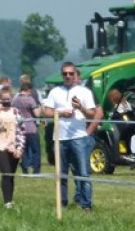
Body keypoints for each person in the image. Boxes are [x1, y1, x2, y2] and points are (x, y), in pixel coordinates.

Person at [41, 62, 97, 212]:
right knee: (61, 173)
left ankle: (86, 205)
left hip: (79, 137)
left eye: (71, 73)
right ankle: (63, 203)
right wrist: (61, 113)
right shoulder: (55, 92)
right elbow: (47, 112)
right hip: (60, 138)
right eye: (65, 73)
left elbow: (92, 114)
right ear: (62, 75)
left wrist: (80, 108)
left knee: (83, 173)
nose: (68, 76)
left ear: (75, 75)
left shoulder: (85, 92)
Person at [0, 86, 25, 208]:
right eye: (4, 99)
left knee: (11, 175)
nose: (6, 101)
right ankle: (7, 202)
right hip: (0, 147)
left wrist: (19, 148)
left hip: (13, 146)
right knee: (6, 173)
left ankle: (10, 199)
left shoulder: (16, 112)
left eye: (8, 99)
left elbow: (21, 130)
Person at [11, 76, 41, 175]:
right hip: (31, 128)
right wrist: (40, 107)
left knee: (23, 151)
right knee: (36, 150)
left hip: (21, 128)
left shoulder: (15, 100)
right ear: (28, 89)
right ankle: (36, 170)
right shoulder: (30, 99)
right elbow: (37, 114)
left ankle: (25, 170)